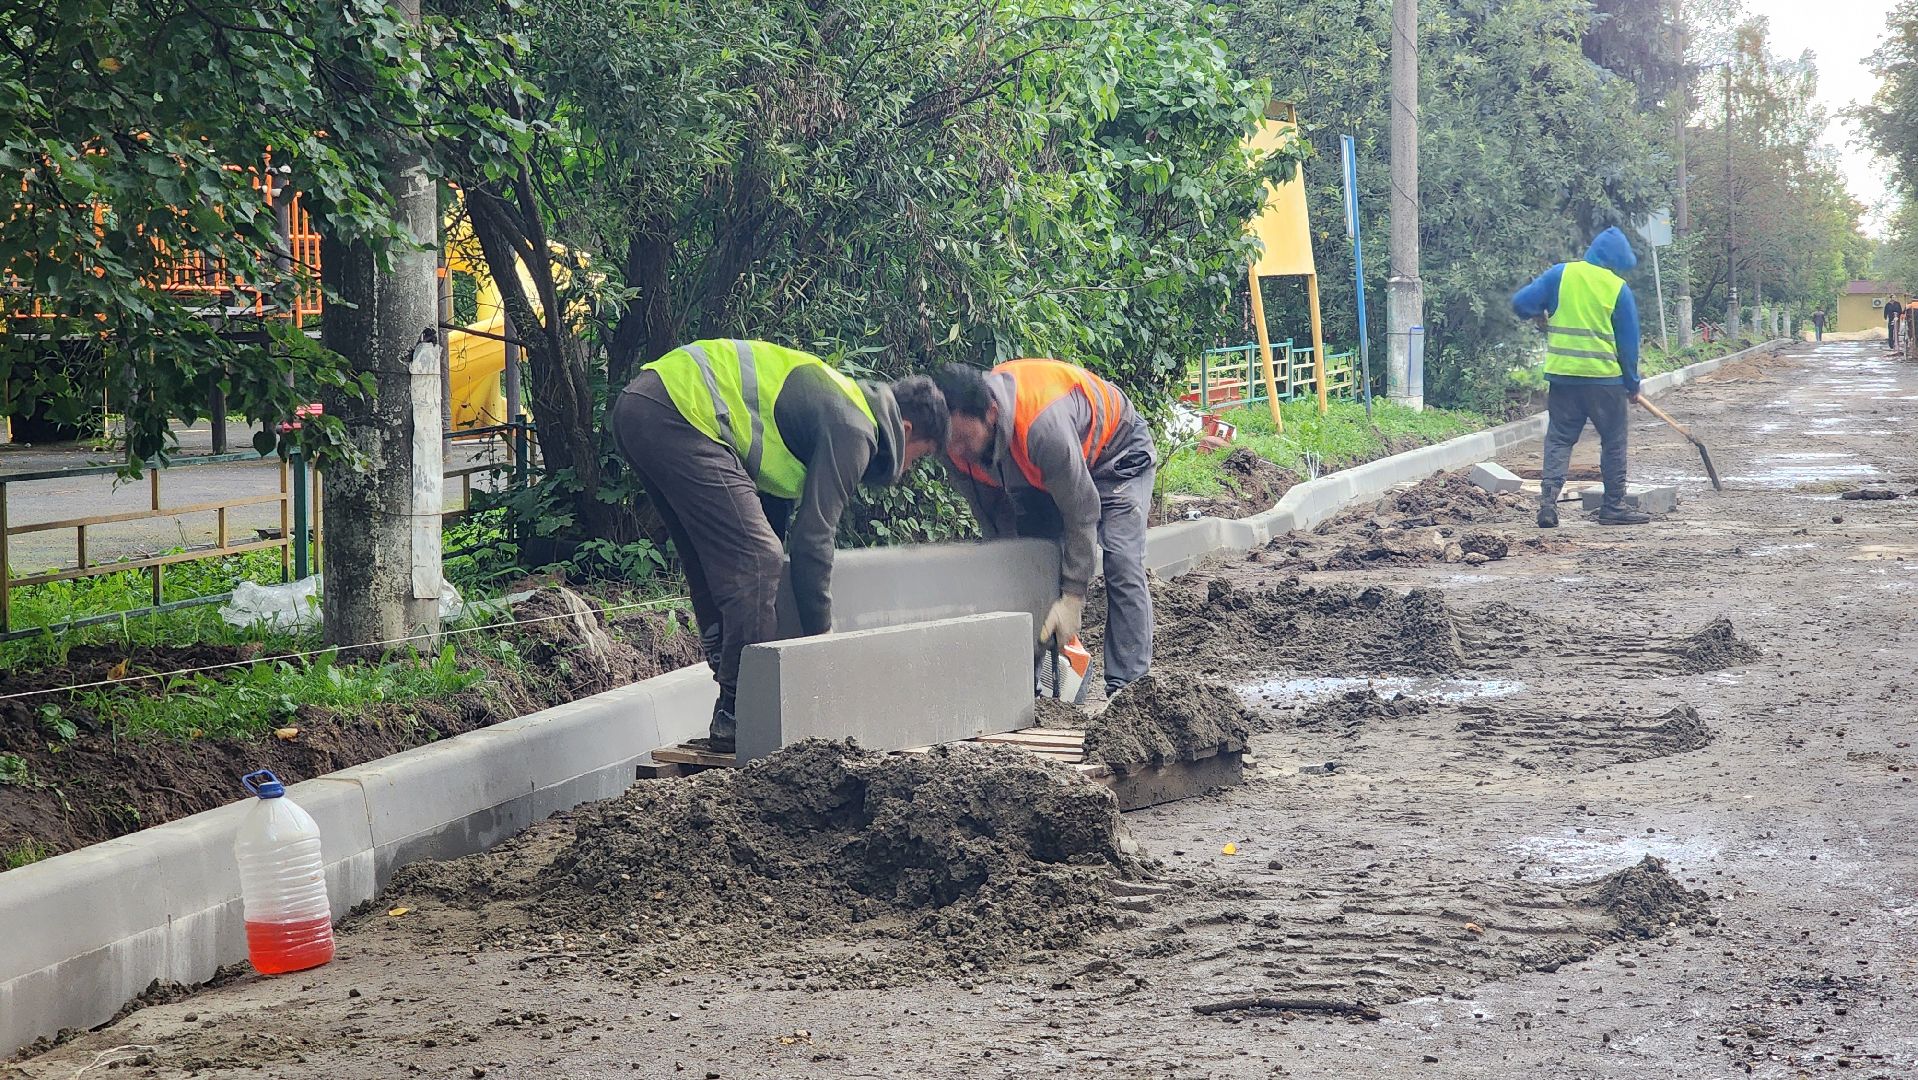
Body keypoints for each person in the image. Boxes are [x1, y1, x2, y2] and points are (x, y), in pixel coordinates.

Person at [609, 340, 949, 752]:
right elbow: (812, 542)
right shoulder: (855, 428)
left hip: (644, 405)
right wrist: (821, 642)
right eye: (919, 457)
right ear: (906, 430)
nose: (908, 468)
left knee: (717, 561)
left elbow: (770, 523)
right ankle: (741, 712)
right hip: (681, 411)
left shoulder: (833, 402)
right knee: (758, 560)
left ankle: (731, 692)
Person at [933, 359, 1157, 697]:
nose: (956, 452)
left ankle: (1130, 690)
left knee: (1122, 560)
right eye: (950, 442)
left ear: (991, 414)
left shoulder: (1041, 427)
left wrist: (1072, 597)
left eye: (963, 440)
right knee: (1031, 564)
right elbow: (995, 523)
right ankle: (1024, 687)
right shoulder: (954, 448)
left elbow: (1082, 510)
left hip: (1117, 455)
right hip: (1045, 471)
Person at [1511, 226, 1650, 527]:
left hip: (1564, 379)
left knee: (1559, 439)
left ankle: (1548, 505)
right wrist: (1632, 383)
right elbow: (1628, 345)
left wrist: (1538, 313)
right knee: (1613, 441)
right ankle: (1613, 506)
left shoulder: (1560, 275)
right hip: (1605, 382)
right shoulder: (1617, 288)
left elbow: (1521, 303)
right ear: (1616, 260)